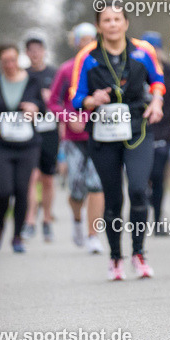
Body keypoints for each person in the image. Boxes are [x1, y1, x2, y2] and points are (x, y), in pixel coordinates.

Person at [71, 6, 165, 280]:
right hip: (103, 133)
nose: (112, 24)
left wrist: (157, 101)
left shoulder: (142, 50)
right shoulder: (87, 57)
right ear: (99, 26)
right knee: (112, 198)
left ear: (125, 23)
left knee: (138, 190)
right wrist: (91, 100)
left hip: (138, 128)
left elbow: (158, 81)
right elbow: (76, 97)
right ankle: (115, 258)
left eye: (117, 19)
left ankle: (138, 253)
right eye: (106, 21)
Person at [0, 43, 45, 253]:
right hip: (0, 145)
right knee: (4, 190)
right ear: (0, 62)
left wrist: (35, 109)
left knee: (22, 191)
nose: (10, 64)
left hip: (28, 146)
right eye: (5, 61)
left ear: (19, 59)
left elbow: (43, 109)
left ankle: (17, 237)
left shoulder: (32, 82)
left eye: (13, 60)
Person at [48, 22, 105, 254]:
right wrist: (69, 117)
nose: (88, 44)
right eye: (83, 40)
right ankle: (77, 221)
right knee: (77, 188)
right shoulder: (66, 70)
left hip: (101, 135)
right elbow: (53, 102)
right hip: (74, 138)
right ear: (76, 43)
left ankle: (93, 235)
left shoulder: (104, 67)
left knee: (96, 184)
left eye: (92, 39)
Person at [140, 31, 170, 235]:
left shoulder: (168, 72)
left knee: (158, 176)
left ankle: (157, 220)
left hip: (163, 129)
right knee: (142, 176)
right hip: (139, 130)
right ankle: (142, 214)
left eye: (153, 48)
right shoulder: (135, 68)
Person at [23, 36, 59, 242]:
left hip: (50, 132)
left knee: (47, 179)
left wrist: (50, 100)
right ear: (27, 53)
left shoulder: (54, 74)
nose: (35, 53)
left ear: (44, 51)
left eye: (38, 49)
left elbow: (65, 100)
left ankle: (46, 220)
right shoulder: (23, 76)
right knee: (30, 177)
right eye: (31, 50)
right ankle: (30, 220)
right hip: (28, 132)